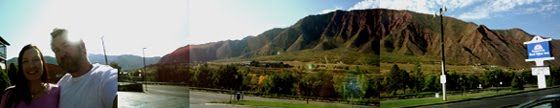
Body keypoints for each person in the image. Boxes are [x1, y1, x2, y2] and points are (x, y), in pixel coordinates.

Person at [50, 28, 117, 108]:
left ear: (82, 47)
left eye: (66, 45)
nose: (62, 54)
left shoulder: (105, 77)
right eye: (57, 50)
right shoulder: (62, 84)